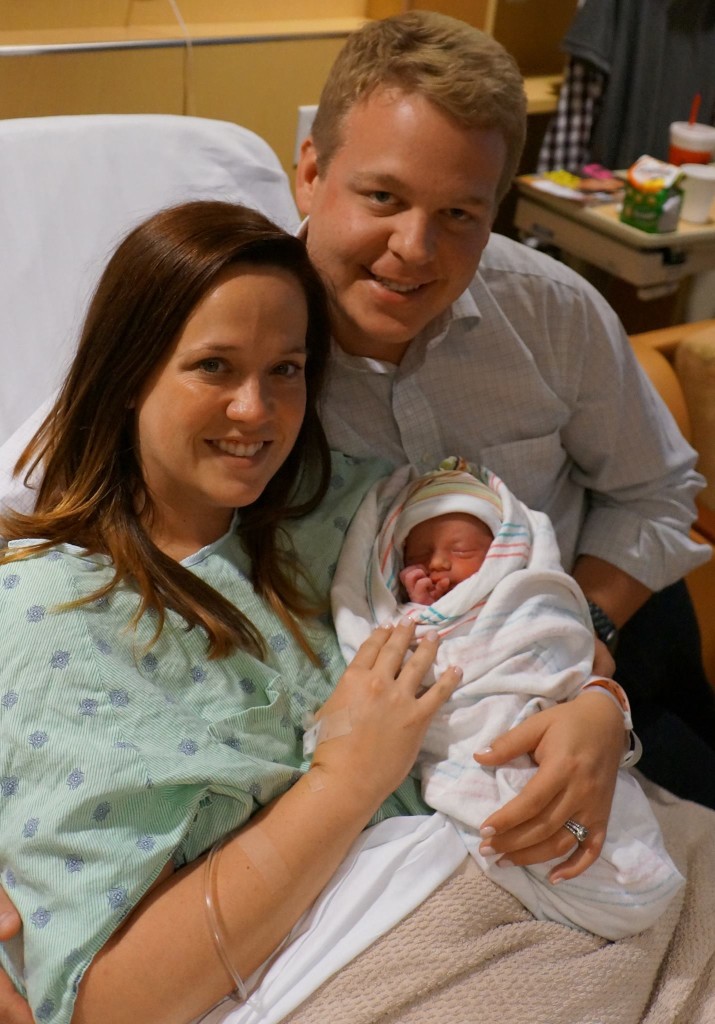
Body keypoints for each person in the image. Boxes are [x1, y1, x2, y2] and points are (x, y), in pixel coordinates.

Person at [0, 199, 468, 1024]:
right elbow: (105, 1005)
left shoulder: (358, 512)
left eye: (285, 368)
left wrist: (589, 705)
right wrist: (345, 778)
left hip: (506, 884)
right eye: (213, 367)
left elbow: (514, 602)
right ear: (125, 378)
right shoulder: (55, 609)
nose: (256, 411)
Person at [292, 10, 715, 808]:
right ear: (309, 171)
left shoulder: (553, 313)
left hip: (600, 643)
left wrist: (582, 635)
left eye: (459, 214)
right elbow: (48, 506)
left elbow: (657, 491)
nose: (414, 248)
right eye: (382, 195)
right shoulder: (233, 331)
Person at [331, 457, 683, 939]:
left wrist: (601, 696)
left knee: (578, 801)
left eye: (459, 549)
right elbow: (398, 646)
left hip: (558, 713)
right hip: (463, 735)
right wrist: (419, 602)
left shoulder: (528, 598)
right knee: (515, 819)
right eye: (418, 554)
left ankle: (590, 851)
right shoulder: (412, 614)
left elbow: (558, 646)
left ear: (502, 550)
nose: (436, 563)